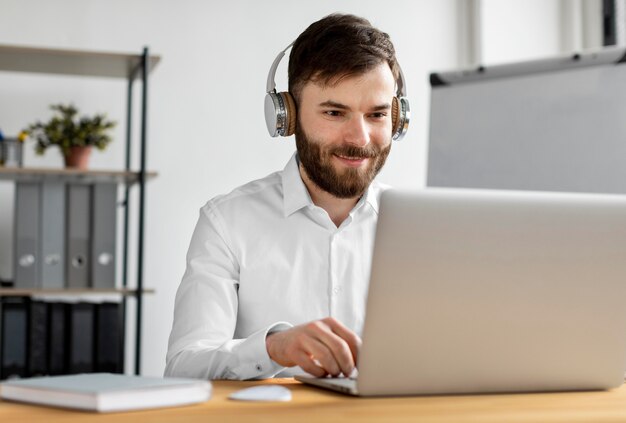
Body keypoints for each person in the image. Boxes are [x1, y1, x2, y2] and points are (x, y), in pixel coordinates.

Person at [165, 13, 408, 380]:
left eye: (376, 114)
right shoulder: (227, 222)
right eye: (334, 112)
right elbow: (184, 366)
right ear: (288, 117)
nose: (360, 138)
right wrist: (273, 348)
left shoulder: (418, 229)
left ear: (398, 117)